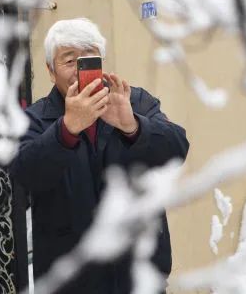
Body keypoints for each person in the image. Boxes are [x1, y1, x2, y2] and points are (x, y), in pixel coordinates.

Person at [10, 18, 189, 293]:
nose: (80, 71)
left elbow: (177, 148)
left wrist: (133, 126)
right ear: (50, 70)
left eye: (89, 59)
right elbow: (24, 172)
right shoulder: (35, 119)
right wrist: (66, 129)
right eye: (70, 61)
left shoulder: (134, 101)